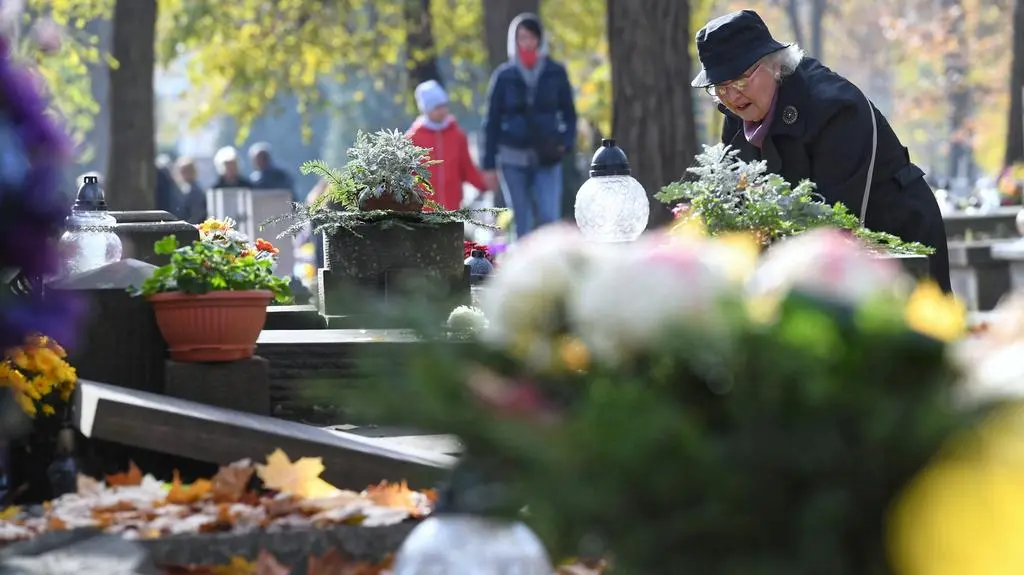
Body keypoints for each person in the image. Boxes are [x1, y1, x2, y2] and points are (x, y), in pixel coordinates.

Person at [692, 10, 951, 292]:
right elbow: (735, 196)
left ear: (774, 65)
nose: (732, 96)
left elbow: (838, 219)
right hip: (807, 256)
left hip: (893, 238)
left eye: (740, 80)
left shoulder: (835, 108)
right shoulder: (737, 117)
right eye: (720, 87)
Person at [480, 12, 577, 240]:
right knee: (521, 220)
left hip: (548, 155)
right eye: (522, 37)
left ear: (540, 39)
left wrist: (566, 142)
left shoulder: (556, 72)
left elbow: (570, 114)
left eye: (532, 37)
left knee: (549, 217)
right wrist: (488, 163)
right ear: (514, 41)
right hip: (512, 158)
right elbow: (491, 120)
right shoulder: (504, 76)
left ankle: (551, 270)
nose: (527, 43)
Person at [407, 79, 489, 212]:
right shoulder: (413, 138)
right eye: (436, 107)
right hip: (423, 209)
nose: (442, 111)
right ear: (426, 110)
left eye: (444, 106)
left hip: (452, 205)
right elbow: (406, 174)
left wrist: (484, 185)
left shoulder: (457, 135)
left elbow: (466, 167)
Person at [175, 156, 208, 224]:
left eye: (185, 171)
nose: (182, 174)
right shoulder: (180, 188)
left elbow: (196, 215)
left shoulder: (196, 191)